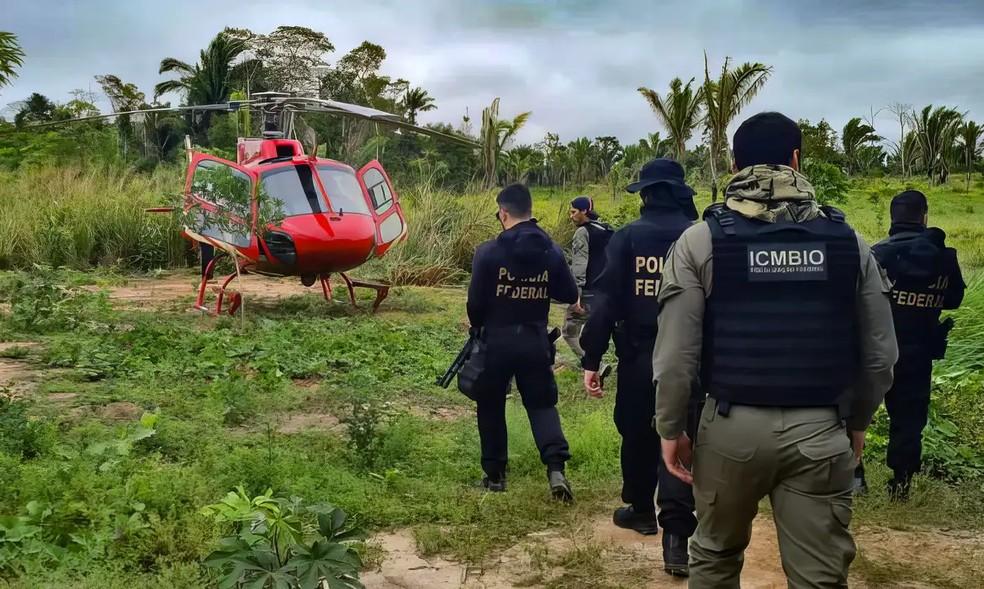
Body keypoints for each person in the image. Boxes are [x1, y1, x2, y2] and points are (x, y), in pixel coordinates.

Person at [653, 112, 899, 587]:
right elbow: (880, 355)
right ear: (795, 160)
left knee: (715, 556)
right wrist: (859, 422)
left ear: (732, 163)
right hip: (820, 429)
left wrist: (669, 428)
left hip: (729, 431)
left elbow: (676, 357)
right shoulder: (849, 244)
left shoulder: (701, 240)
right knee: (819, 576)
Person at [579, 158, 699, 577]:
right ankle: (678, 538)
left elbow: (605, 304)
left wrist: (591, 359)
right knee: (682, 436)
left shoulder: (627, 237)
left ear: (645, 194)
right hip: (693, 359)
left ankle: (641, 509)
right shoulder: (700, 236)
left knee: (636, 431)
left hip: (638, 355)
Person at [466, 183, 579, 502]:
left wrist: (479, 327)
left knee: (490, 405)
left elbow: (475, 304)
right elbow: (569, 294)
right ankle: (556, 470)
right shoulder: (551, 250)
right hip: (534, 342)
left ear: (503, 213)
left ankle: (496, 476)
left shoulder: (487, 252)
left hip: (496, 342)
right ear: (530, 211)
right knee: (542, 406)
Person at [853, 190, 965, 499]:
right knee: (909, 419)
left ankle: (856, 477)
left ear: (892, 218)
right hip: (919, 351)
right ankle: (901, 484)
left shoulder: (877, 254)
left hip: (875, 351)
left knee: (858, 412)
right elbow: (954, 299)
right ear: (924, 216)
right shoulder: (944, 257)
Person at [563, 196, 614, 380]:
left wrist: (575, 295)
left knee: (569, 331)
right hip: (605, 292)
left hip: (587, 291)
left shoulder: (582, 233)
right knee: (597, 330)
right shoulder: (606, 230)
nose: (571, 216)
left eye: (574, 211)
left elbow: (579, 265)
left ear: (584, 211)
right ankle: (596, 363)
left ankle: (595, 365)